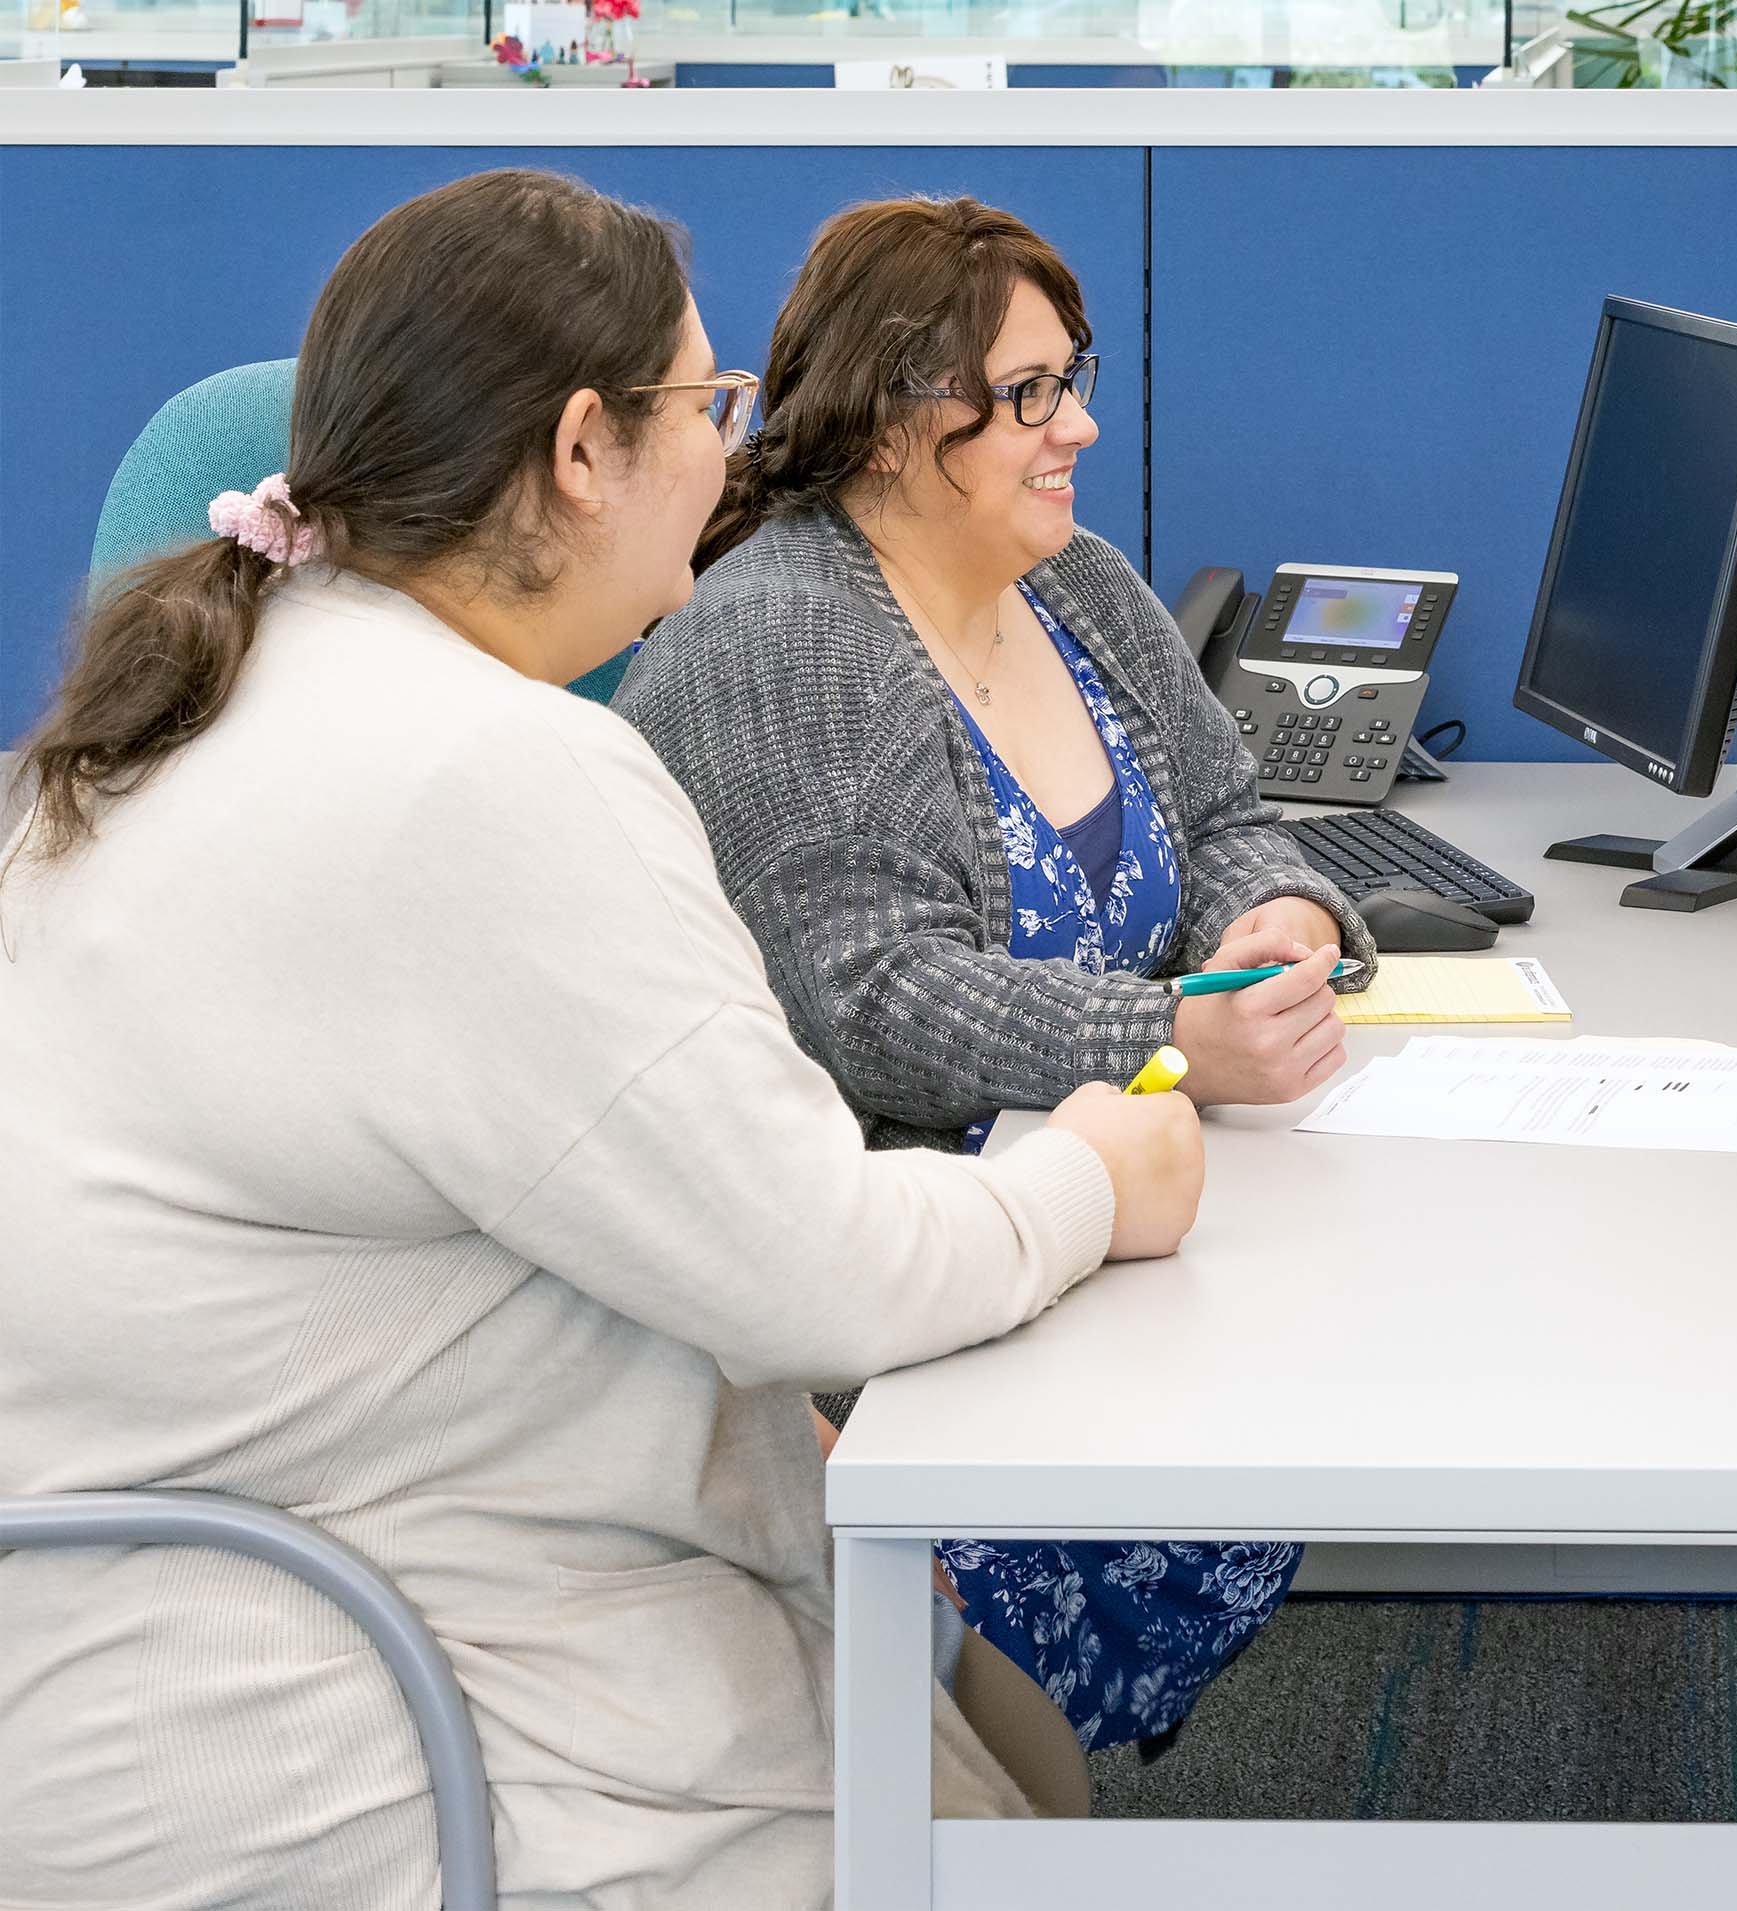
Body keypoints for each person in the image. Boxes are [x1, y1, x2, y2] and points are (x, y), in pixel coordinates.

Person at [0, 169, 1202, 1908]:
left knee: (1011, 1762)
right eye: (707, 409)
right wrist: (1094, 1172)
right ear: (584, 451)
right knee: (1004, 1825)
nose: (734, 457)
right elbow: (829, 1266)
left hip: (193, 1632)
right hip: (366, 1729)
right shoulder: (487, 775)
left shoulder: (187, 712)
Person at [614, 196, 1369, 1755]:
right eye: (1027, 395)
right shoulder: (790, 642)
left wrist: (1274, 917)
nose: (1076, 423)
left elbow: (1226, 808)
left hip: (1114, 1211)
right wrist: (1168, 1033)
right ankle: (984, 1802)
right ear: (894, 425)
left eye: (1070, 376)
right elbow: (870, 999)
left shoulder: (1073, 581)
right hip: (909, 1274)